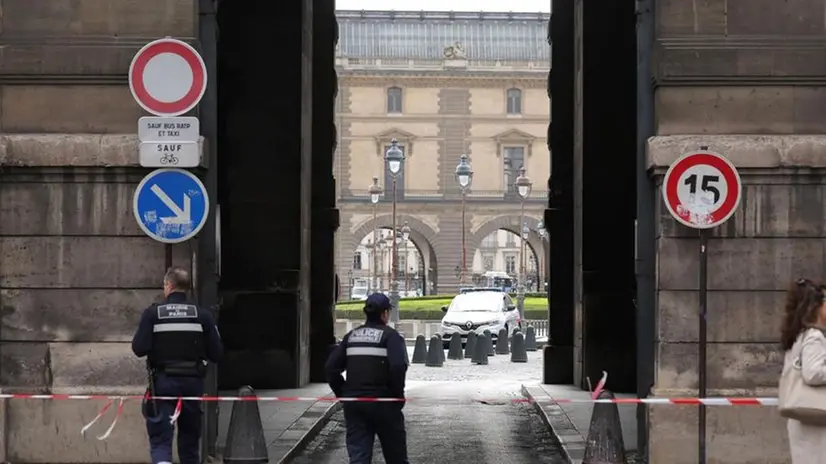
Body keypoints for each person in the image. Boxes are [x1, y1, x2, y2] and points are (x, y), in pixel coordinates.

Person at [132, 266, 223, 464]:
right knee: (190, 442)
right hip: (192, 385)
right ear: (186, 288)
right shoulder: (202, 315)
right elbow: (217, 353)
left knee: (161, 441)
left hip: (163, 384)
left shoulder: (153, 314)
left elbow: (139, 348)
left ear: (168, 285)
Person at [326, 292, 409, 464]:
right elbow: (398, 367)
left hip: (355, 404)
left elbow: (330, 368)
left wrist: (344, 393)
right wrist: (397, 396)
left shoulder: (351, 336)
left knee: (359, 457)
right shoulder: (391, 337)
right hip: (385, 403)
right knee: (396, 456)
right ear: (385, 313)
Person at [781, 278, 826, 463]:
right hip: (817, 417)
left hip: (804, 414)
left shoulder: (798, 335)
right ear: (815, 307)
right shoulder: (814, 336)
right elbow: (813, 373)